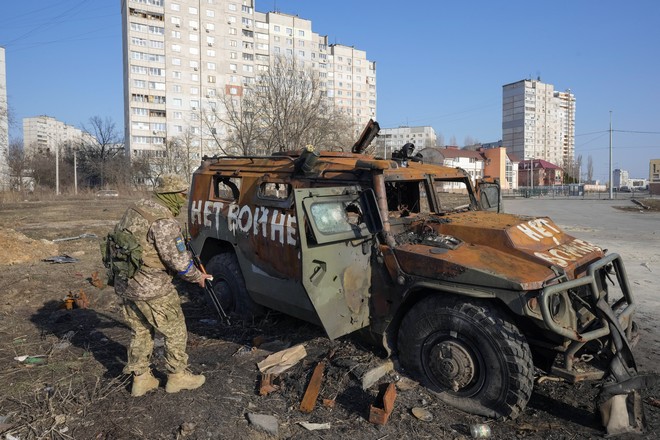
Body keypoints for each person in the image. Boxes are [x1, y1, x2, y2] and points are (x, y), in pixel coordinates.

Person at [113, 174, 212, 397]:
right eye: (181, 195)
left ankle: (141, 379)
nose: (183, 199)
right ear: (171, 195)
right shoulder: (164, 221)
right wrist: (198, 277)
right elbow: (177, 261)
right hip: (152, 287)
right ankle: (177, 376)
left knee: (140, 330)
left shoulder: (137, 208)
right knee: (175, 329)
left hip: (126, 282)